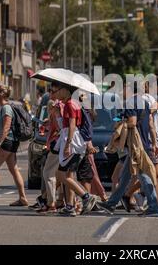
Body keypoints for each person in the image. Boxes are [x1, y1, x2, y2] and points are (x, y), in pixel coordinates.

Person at [97, 81, 158, 217]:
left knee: (143, 176)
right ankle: (111, 203)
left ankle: (154, 207)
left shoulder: (132, 101)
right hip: (143, 142)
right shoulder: (145, 103)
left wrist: (120, 125)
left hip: (135, 144)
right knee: (125, 177)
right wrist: (154, 142)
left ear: (130, 88)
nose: (122, 90)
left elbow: (131, 122)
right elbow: (150, 123)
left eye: (124, 88)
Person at [52, 82, 97, 217]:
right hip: (73, 140)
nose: (55, 93)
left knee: (61, 175)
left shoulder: (70, 104)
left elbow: (72, 125)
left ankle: (86, 196)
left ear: (65, 90)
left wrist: (67, 145)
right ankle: (70, 206)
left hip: (72, 141)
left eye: (57, 90)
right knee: (69, 175)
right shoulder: (73, 103)